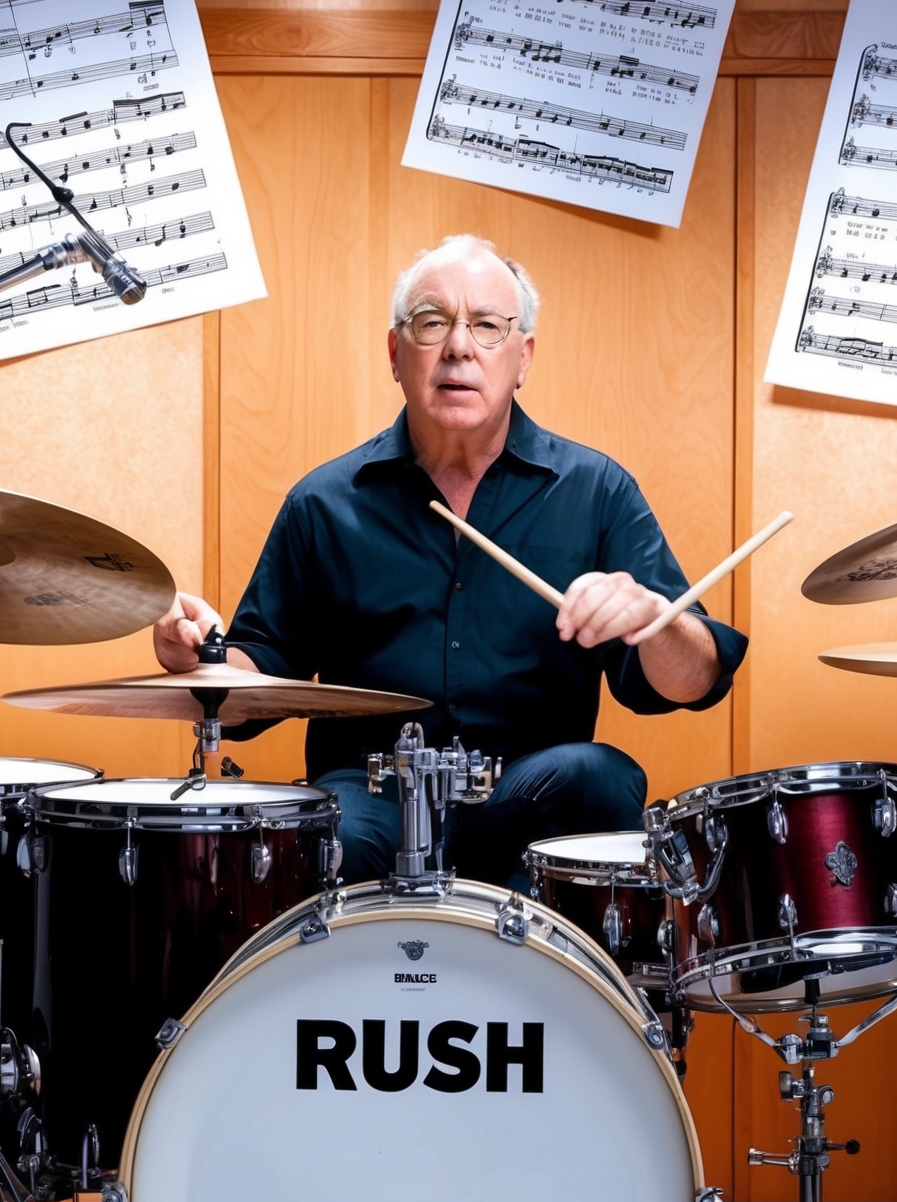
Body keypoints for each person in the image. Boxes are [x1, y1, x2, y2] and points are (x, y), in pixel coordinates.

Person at [154, 234, 746, 885]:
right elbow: (256, 677)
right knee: (324, 832)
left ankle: (558, 985)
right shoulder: (324, 503)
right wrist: (202, 661)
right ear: (395, 353)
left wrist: (656, 620)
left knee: (595, 777)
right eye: (432, 322)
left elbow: (693, 682)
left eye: (487, 326)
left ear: (522, 357)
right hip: (372, 792)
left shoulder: (597, 491)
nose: (459, 346)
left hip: (528, 786)